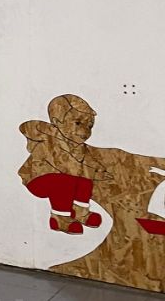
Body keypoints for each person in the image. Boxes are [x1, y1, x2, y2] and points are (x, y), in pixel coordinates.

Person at [19, 94, 109, 234]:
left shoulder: (78, 146)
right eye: (78, 123)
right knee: (63, 181)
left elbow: (88, 161)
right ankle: (60, 217)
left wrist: (99, 171)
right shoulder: (48, 140)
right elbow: (61, 163)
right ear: (57, 121)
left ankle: (80, 212)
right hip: (38, 179)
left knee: (85, 181)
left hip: (65, 177)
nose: (85, 131)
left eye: (89, 126)